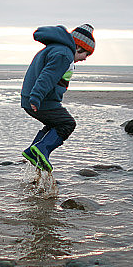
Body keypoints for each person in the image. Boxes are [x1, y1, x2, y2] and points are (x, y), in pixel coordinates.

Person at [21, 24, 95, 171]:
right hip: (41, 100)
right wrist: (36, 97)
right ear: (79, 47)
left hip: (34, 98)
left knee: (55, 124)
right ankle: (41, 150)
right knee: (67, 123)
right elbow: (47, 77)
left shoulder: (55, 49)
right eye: (86, 54)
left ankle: (32, 151)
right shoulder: (64, 54)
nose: (85, 59)